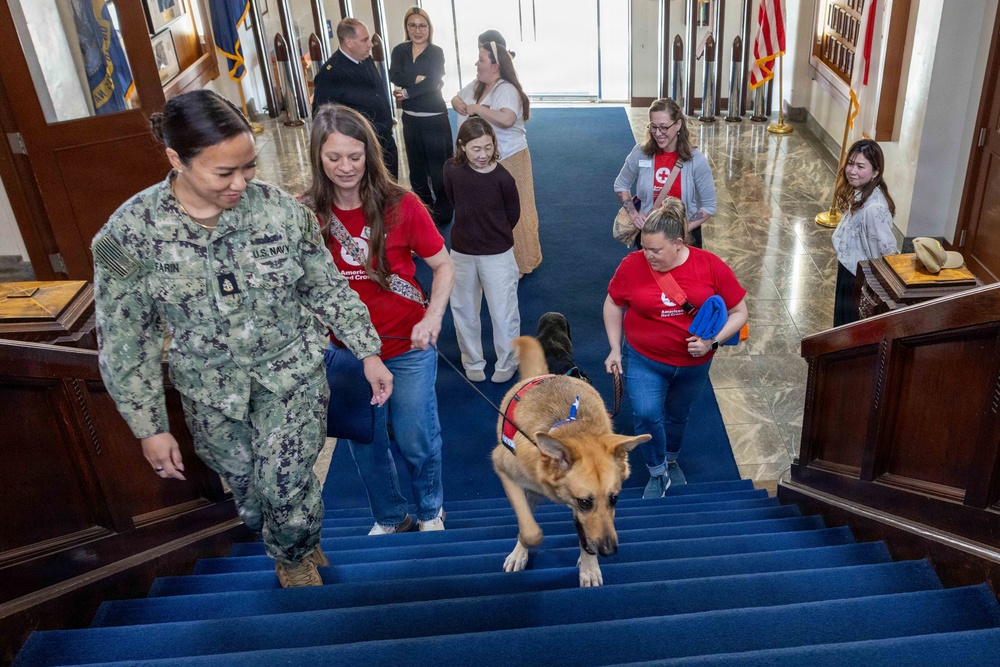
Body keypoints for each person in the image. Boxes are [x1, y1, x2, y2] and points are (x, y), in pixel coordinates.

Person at [91, 89, 393, 588]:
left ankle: (295, 558)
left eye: (248, 166)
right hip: (211, 393)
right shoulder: (129, 233)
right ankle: (287, 535)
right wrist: (149, 426)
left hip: (290, 375)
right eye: (223, 172)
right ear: (176, 159)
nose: (240, 183)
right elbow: (127, 338)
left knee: (287, 484)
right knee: (250, 496)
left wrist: (368, 351)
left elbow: (324, 285)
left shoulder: (281, 213)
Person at [305, 103, 455, 534]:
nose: (346, 167)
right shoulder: (305, 214)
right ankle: (391, 517)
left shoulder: (402, 204)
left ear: (370, 154)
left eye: (355, 156)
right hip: (349, 352)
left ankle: (430, 511)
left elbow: (443, 266)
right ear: (318, 157)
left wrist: (433, 317)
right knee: (364, 445)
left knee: (416, 437)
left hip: (407, 345)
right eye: (333, 158)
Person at [603, 198, 747, 499]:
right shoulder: (632, 266)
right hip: (645, 359)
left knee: (678, 415)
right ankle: (657, 473)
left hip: (693, 365)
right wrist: (615, 348)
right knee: (645, 414)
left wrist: (712, 342)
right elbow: (613, 303)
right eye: (644, 248)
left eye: (656, 250)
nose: (648, 255)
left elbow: (739, 313)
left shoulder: (710, 266)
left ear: (678, 243)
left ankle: (671, 458)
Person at [451, 40, 542, 276]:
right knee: (491, 210)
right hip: (485, 158)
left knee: (516, 210)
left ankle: (522, 263)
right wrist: (459, 103)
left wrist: (476, 109)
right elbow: (456, 98)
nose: (476, 63)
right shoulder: (479, 84)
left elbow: (507, 119)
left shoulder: (506, 90)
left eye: (481, 60)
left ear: (496, 67)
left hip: (510, 158)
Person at [444, 117, 521, 383]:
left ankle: (507, 361)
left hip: (497, 254)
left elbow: (513, 215)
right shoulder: (451, 170)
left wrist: (491, 234)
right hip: (462, 252)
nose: (483, 154)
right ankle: (472, 359)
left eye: (488, 147)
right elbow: (454, 202)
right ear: (462, 146)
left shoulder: (503, 178)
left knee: (503, 311)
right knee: (463, 308)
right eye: (476, 149)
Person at [614, 98, 716, 248]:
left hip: (684, 239)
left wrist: (681, 230)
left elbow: (709, 206)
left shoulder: (696, 161)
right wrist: (634, 215)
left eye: (663, 127)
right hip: (649, 236)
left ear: (678, 125)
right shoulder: (640, 153)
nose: (658, 133)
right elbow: (621, 185)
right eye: (653, 127)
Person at [389, 6, 454, 226]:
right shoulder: (400, 50)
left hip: (434, 117)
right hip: (410, 118)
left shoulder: (436, 52)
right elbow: (393, 74)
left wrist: (407, 91)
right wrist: (417, 78)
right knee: (416, 169)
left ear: (429, 28)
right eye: (413, 25)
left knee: (438, 169)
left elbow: (434, 81)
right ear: (407, 28)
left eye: (422, 25)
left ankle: (444, 210)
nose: (418, 30)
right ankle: (424, 208)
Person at [313, 18, 399, 179]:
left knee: (391, 193)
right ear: (349, 42)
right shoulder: (330, 74)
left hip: (385, 141)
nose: (371, 44)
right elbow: (322, 119)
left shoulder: (366, 60)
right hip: (361, 150)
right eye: (365, 40)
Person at [831, 139, 897, 327]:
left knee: (848, 330)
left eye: (861, 166)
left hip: (858, 280)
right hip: (848, 270)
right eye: (850, 164)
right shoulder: (862, 192)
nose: (852, 171)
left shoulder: (874, 208)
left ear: (875, 172)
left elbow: (886, 251)